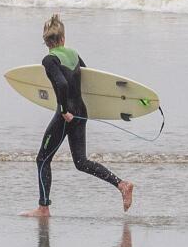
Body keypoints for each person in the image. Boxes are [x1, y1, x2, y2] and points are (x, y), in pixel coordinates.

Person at [21, 14, 134, 218]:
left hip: (67, 114)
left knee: (42, 159)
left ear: (46, 42)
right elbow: (89, 79)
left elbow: (62, 84)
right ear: (63, 38)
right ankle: (122, 185)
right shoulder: (73, 54)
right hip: (82, 111)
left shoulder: (49, 60)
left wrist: (64, 111)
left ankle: (43, 208)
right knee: (80, 161)